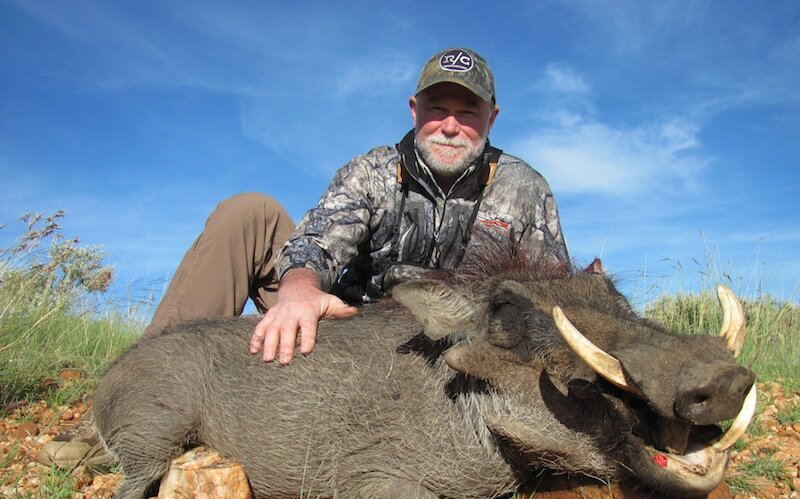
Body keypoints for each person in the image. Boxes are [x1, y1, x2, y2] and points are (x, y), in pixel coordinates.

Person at [39, 47, 569, 469]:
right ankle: (138, 401)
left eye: (467, 111)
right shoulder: (373, 171)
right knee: (250, 213)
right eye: (437, 108)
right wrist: (298, 289)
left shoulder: (525, 188)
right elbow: (316, 239)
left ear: (491, 118)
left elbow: (554, 299)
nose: (449, 126)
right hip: (344, 326)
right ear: (415, 110)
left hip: (447, 356)